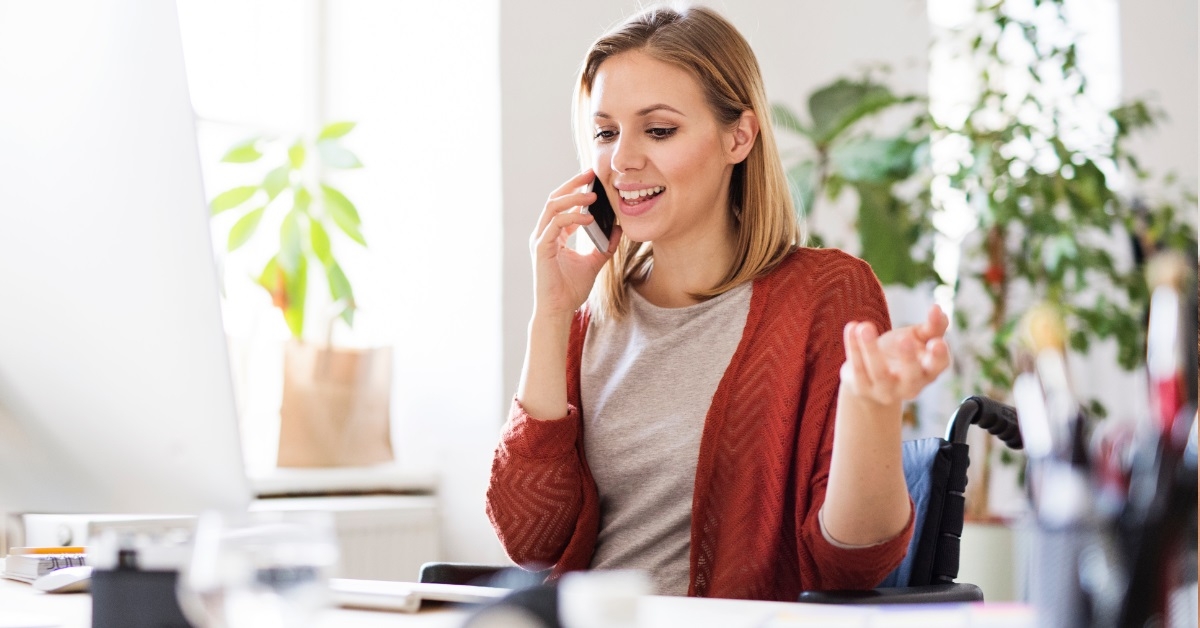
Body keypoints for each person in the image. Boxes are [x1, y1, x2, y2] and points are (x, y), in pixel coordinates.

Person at [486, 4, 950, 601]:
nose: (622, 159)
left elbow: (851, 570)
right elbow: (530, 540)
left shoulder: (824, 295)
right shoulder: (590, 317)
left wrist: (871, 404)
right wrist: (550, 314)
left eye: (659, 130)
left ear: (739, 136)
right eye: (605, 132)